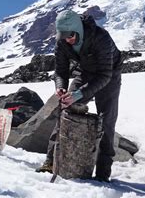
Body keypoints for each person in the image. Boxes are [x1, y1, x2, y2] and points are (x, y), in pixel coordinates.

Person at [36, 10, 123, 182]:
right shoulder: (62, 42)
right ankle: (51, 161)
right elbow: (60, 71)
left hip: (109, 75)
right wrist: (60, 88)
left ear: (79, 30)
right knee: (64, 109)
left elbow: (105, 75)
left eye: (71, 36)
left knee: (106, 121)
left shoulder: (101, 37)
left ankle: (102, 174)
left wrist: (79, 94)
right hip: (84, 71)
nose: (67, 40)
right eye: (64, 36)